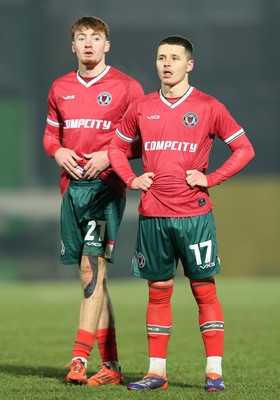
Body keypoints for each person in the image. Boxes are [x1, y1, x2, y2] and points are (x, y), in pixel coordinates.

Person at [108, 35, 255, 391]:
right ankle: (156, 373)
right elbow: (116, 147)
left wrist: (211, 178)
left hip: (194, 217)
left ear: (190, 65)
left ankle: (214, 374)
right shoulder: (142, 106)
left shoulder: (208, 106)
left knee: (204, 290)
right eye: (161, 58)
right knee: (158, 291)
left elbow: (243, 149)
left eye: (175, 58)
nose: (167, 64)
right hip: (154, 215)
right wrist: (131, 177)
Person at [43, 16, 144, 386]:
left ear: (107, 45)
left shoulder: (127, 88)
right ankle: (113, 367)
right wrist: (57, 154)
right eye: (81, 38)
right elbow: (51, 137)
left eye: (96, 37)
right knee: (93, 277)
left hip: (105, 188)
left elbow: (141, 142)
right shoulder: (60, 88)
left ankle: (78, 359)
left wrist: (109, 155)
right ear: (73, 47)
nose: (88, 43)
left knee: (91, 270)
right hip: (71, 189)